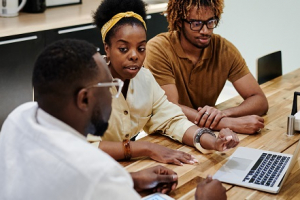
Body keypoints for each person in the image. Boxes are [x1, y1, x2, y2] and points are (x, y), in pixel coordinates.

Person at [0, 39, 227, 200]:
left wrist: (131, 179)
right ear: (84, 99)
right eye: (110, 86)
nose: (114, 96)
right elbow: (91, 178)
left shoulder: (18, 118)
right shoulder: (96, 173)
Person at [91, 0, 239, 165]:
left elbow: (172, 119)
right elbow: (83, 148)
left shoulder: (145, 79)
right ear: (107, 48)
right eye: (124, 49)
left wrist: (213, 141)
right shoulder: (87, 85)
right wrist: (146, 148)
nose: (134, 56)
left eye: (141, 48)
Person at [144, 0, 269, 135]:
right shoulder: (158, 48)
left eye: (210, 22)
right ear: (180, 22)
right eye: (196, 24)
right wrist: (229, 123)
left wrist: (222, 114)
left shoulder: (223, 49)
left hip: (205, 131)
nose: (205, 31)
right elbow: (171, 108)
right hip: (164, 133)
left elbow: (260, 100)